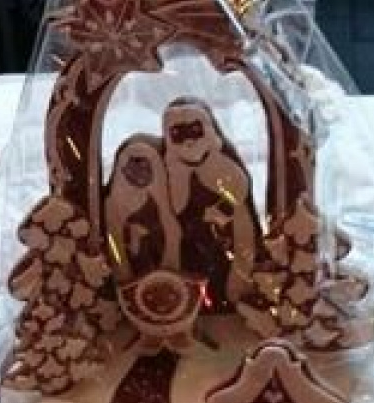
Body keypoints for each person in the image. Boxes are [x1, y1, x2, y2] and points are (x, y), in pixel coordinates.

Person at [162, 99, 259, 308]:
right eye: (178, 134)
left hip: (226, 248)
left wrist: (241, 271)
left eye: (195, 131)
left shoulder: (227, 169)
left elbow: (243, 223)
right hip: (188, 252)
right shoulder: (168, 171)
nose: (189, 142)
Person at [104, 136, 180, 280]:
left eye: (144, 167)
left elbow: (172, 229)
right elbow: (114, 241)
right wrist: (123, 273)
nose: (139, 174)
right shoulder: (113, 203)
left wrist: (170, 265)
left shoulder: (163, 197)